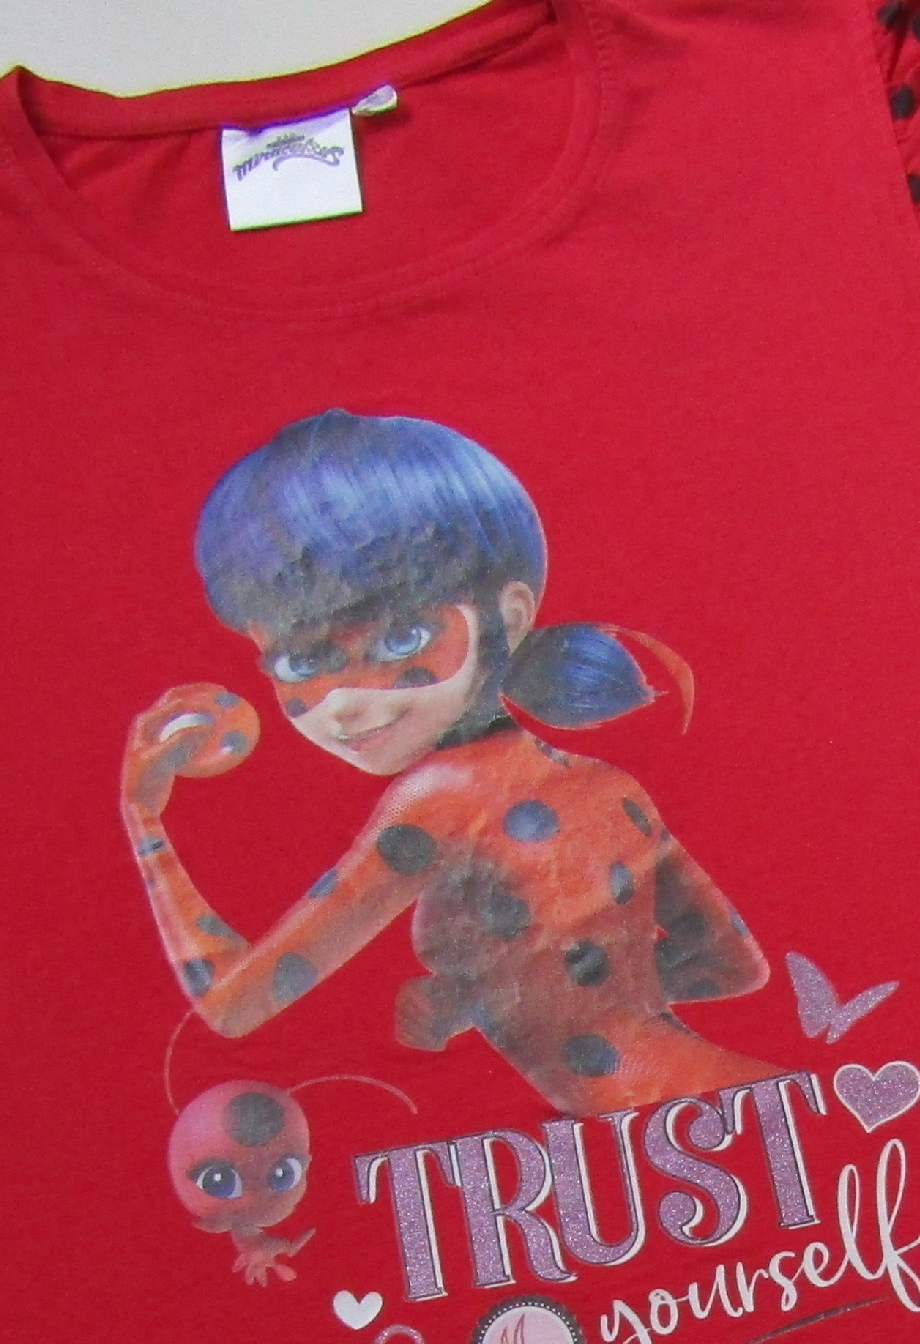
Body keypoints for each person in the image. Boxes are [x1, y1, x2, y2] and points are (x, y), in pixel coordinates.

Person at [117, 408, 782, 1118]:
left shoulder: (437, 796)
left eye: (402, 637)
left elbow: (232, 1003)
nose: (344, 702)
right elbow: (731, 965)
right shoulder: (608, 784)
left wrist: (143, 817)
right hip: (721, 1103)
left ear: (510, 617)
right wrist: (527, 994)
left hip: (668, 1117)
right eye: (301, 661)